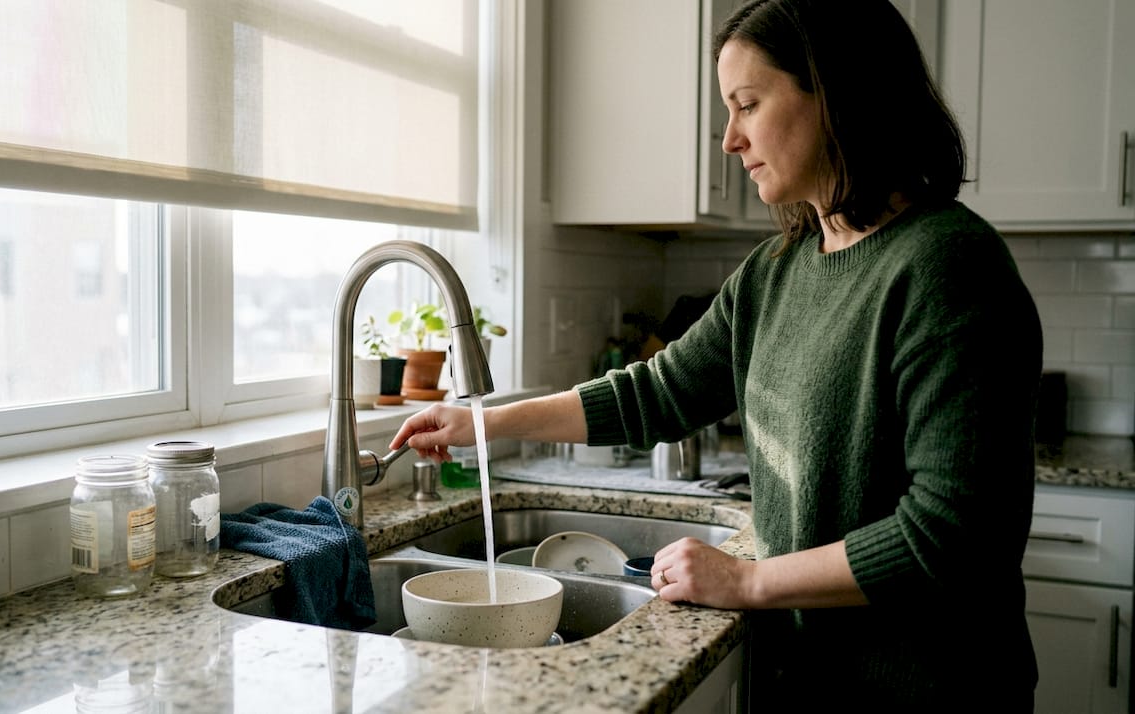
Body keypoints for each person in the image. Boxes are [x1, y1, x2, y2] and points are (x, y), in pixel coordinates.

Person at [390, 0, 1042, 709]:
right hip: (808, 679)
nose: (729, 140)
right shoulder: (777, 270)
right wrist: (483, 424)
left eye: (748, 104)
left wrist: (749, 582)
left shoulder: (949, 266)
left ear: (835, 95)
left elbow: (953, 536)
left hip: (924, 690)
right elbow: (660, 392)